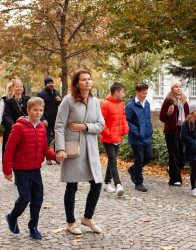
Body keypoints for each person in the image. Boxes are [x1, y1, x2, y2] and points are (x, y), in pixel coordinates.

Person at [55, 69, 105, 235]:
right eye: (84, 80)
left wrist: (84, 127)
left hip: (90, 149)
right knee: (72, 185)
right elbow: (59, 126)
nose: (88, 82)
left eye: (89, 79)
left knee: (97, 184)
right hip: (73, 149)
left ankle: (87, 218)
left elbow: (101, 125)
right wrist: (60, 149)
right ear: (76, 83)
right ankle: (71, 222)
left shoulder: (95, 101)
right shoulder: (68, 101)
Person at [3, 97, 60, 239]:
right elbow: (9, 150)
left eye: (41, 110)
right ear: (28, 111)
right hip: (21, 169)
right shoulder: (18, 128)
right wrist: (7, 170)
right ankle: (12, 216)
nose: (38, 113)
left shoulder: (41, 127)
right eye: (35, 110)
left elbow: (45, 149)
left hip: (35, 169)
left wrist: (55, 156)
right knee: (25, 198)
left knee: (38, 198)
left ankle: (33, 226)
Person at [100, 82, 129, 196]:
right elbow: (101, 122)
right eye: (122, 92)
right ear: (116, 92)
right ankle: (118, 184)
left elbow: (123, 118)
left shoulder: (121, 104)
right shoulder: (105, 104)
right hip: (107, 138)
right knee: (113, 161)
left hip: (117, 137)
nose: (124, 94)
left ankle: (107, 183)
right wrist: (109, 133)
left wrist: (125, 129)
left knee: (112, 161)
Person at [159, 79, 189, 186]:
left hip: (182, 130)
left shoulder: (184, 100)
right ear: (172, 88)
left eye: (180, 86)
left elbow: (188, 116)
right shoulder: (168, 100)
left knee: (183, 154)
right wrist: (168, 113)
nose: (178, 88)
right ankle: (176, 179)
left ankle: (171, 168)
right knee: (174, 154)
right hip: (172, 131)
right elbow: (162, 117)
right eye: (176, 87)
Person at [125, 82, 153, 192]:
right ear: (137, 92)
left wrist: (149, 130)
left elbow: (147, 119)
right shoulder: (130, 106)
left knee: (148, 157)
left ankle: (133, 170)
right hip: (136, 137)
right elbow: (127, 121)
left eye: (146, 93)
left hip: (146, 136)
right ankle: (138, 182)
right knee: (139, 159)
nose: (145, 95)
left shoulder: (147, 104)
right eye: (143, 93)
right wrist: (136, 132)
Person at [2, 79, 30, 160]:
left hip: (25, 127)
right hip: (12, 128)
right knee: (10, 149)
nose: (19, 88)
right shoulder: (8, 101)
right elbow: (7, 115)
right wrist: (13, 125)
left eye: (20, 86)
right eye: (17, 86)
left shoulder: (27, 99)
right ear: (13, 88)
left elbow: (31, 111)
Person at [37, 77, 62, 165]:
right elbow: (39, 107)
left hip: (56, 120)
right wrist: (42, 119)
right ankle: (48, 158)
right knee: (46, 140)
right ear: (45, 84)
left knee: (58, 139)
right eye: (49, 83)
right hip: (46, 121)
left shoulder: (56, 92)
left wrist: (60, 100)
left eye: (52, 82)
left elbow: (62, 104)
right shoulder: (41, 94)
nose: (51, 84)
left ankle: (56, 157)